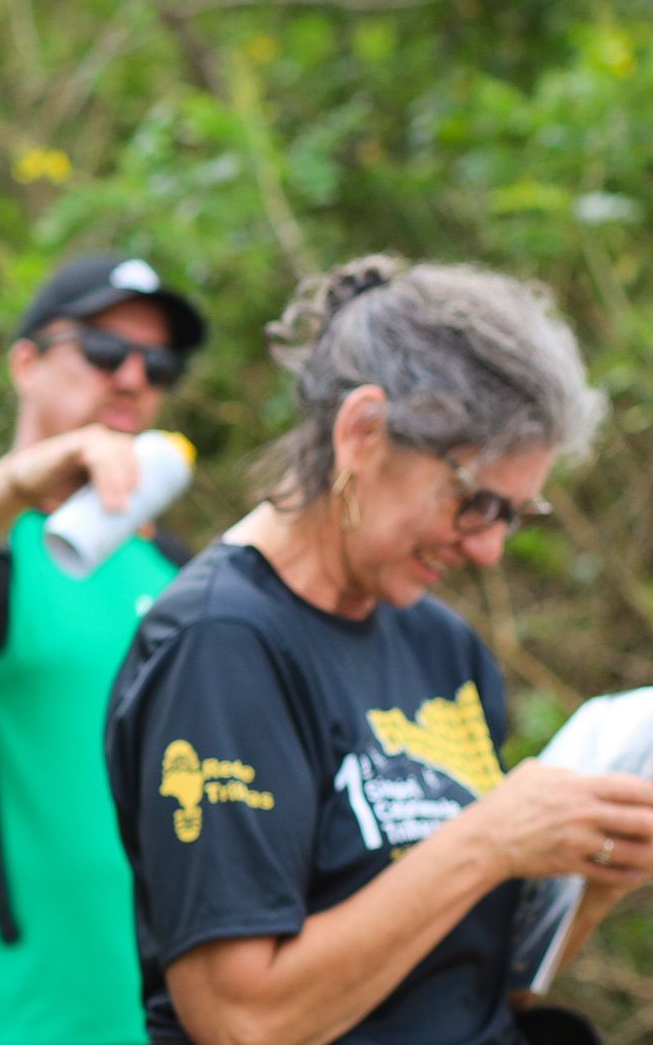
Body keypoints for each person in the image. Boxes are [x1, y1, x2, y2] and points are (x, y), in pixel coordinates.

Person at [105, 255, 653, 1044]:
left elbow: (460, 990)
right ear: (363, 432)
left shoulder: (443, 645)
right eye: (477, 503)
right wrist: (491, 839)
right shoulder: (222, 644)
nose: (491, 548)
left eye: (516, 515)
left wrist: (591, 878)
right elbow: (240, 1020)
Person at [0, 253, 208, 1044]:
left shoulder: (181, 573)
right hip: (11, 1011)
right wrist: (28, 479)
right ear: (25, 363)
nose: (132, 377)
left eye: (158, 363)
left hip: (175, 1012)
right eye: (102, 350)